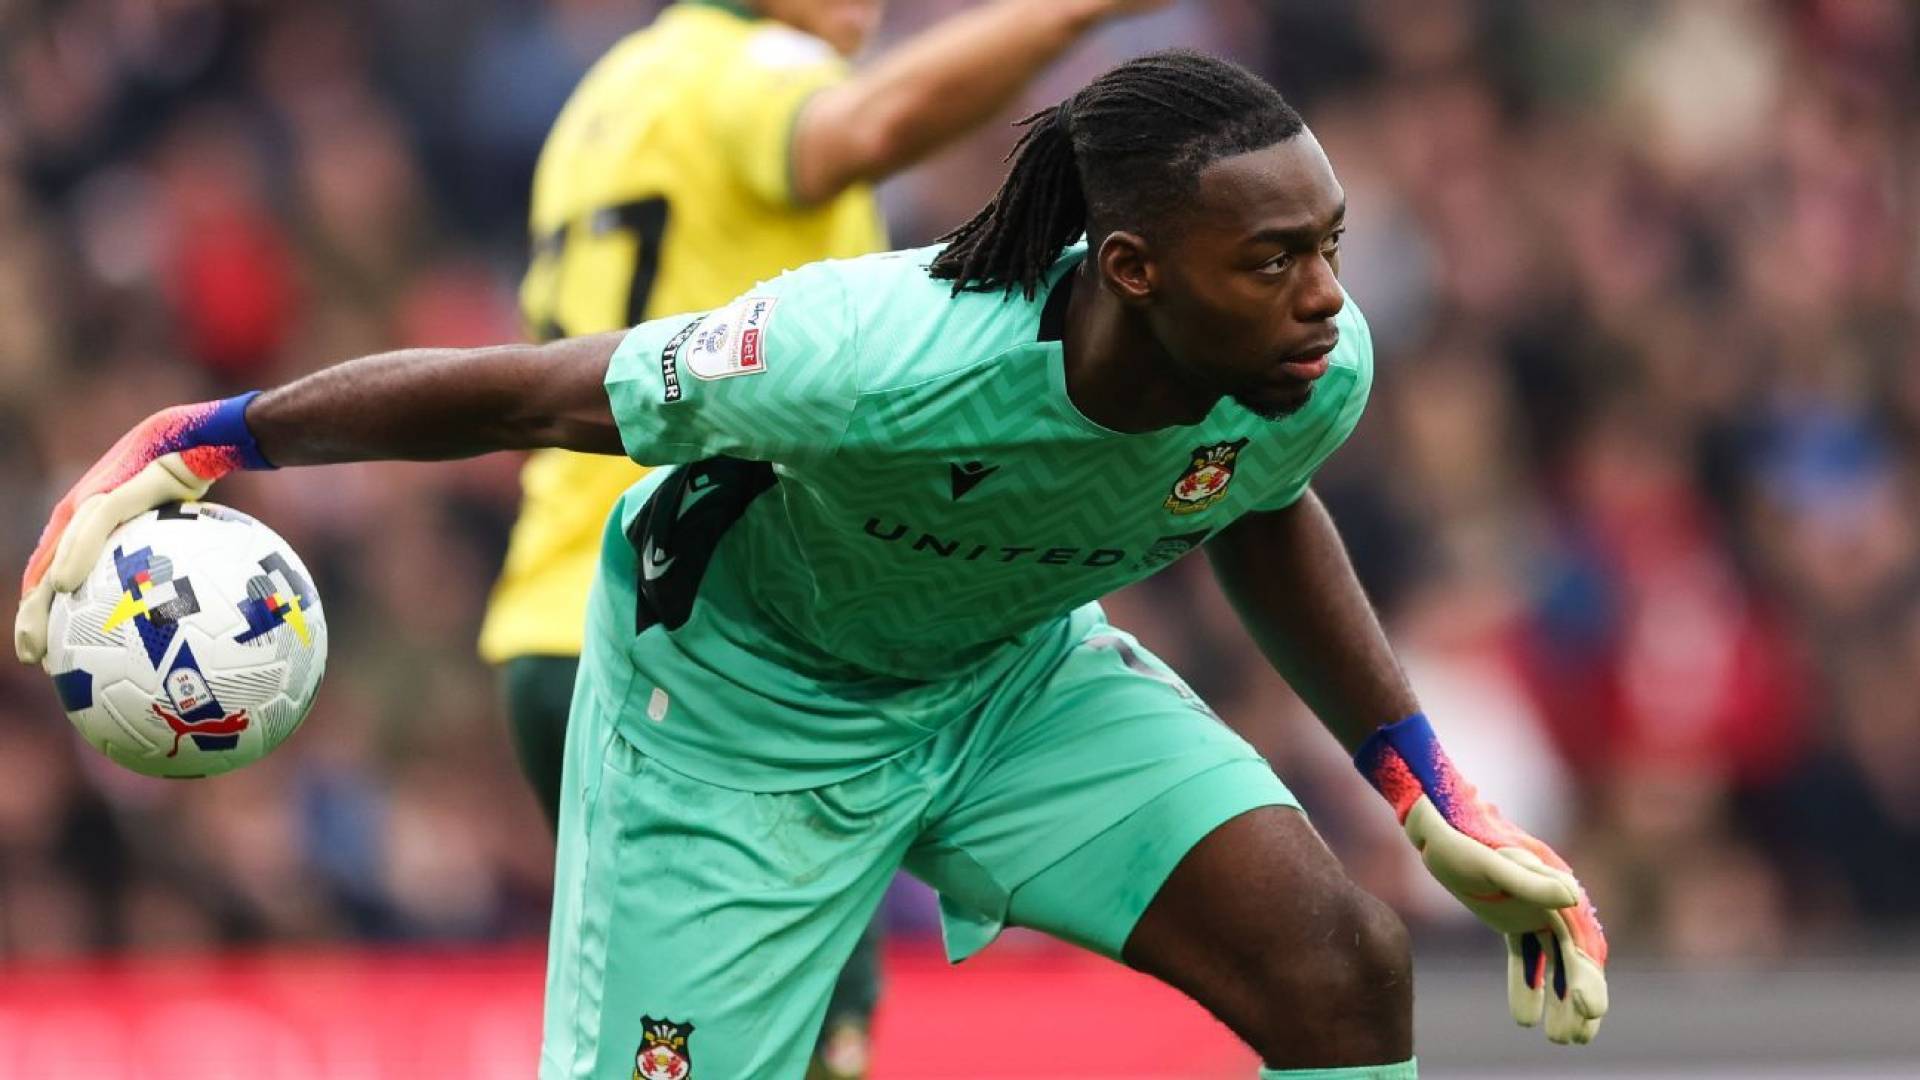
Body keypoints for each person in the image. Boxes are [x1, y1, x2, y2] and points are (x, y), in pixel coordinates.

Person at [18, 50, 1609, 1080]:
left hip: (1008, 681)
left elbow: (1256, 500)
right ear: (1130, 267)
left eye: (1329, 244)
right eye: (1275, 259)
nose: (1327, 295)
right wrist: (208, 437)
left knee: (1343, 968)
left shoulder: (1313, 366)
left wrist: (1424, 791)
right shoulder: (870, 351)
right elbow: (532, 392)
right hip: (733, 720)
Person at [481, 2, 1161, 1071]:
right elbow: (865, 128)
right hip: (700, 640)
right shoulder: (757, 61)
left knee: (691, 1048)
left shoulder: (608, 98)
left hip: (557, 629)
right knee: (794, 1047)